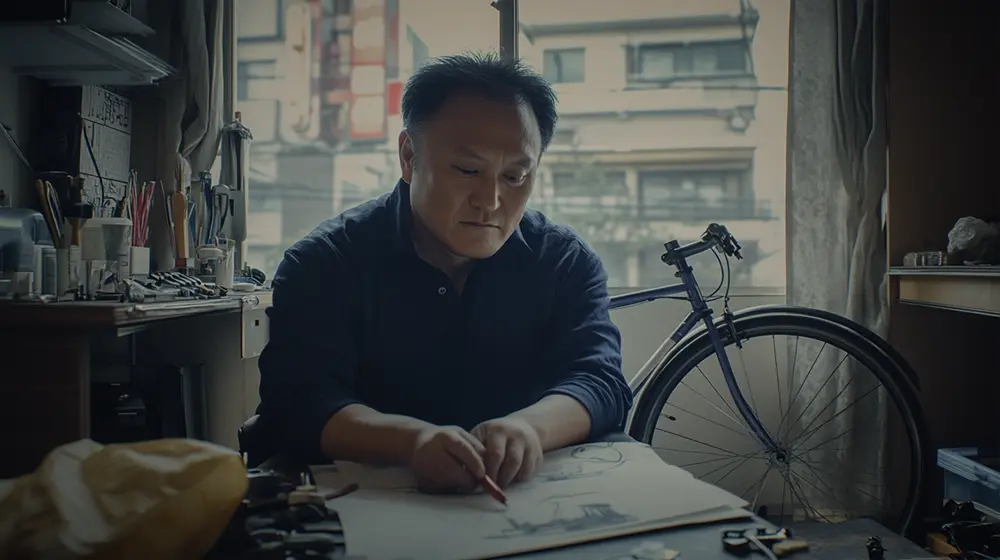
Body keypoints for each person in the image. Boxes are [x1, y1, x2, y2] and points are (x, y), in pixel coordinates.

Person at [256, 52, 633, 494]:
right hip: (368, 510)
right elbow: (299, 402)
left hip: (531, 504)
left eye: (515, 176)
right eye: (468, 170)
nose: (490, 200)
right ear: (409, 156)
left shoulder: (563, 261)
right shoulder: (326, 262)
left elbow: (600, 381)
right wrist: (411, 443)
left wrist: (530, 429)